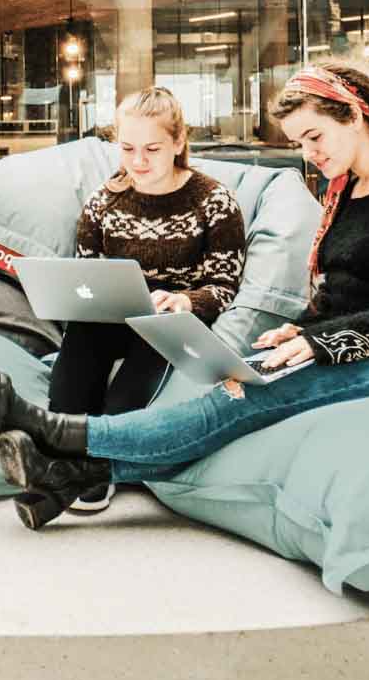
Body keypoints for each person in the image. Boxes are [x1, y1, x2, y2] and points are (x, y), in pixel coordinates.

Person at [0, 61, 369, 530]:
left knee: (235, 403)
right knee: (232, 385)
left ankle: (57, 438)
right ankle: (72, 481)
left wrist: (321, 340)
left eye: (315, 137)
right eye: (300, 144)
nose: (311, 154)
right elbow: (352, 292)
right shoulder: (349, 188)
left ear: (355, 114)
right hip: (360, 339)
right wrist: (304, 328)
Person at [20, 87, 246, 519]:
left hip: (168, 323)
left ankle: (87, 469)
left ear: (179, 143)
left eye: (152, 148)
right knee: (84, 335)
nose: (138, 161)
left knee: (144, 356)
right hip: (108, 316)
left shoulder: (214, 201)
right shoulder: (104, 201)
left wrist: (185, 300)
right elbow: (83, 275)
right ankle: (59, 449)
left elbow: (224, 284)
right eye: (127, 148)